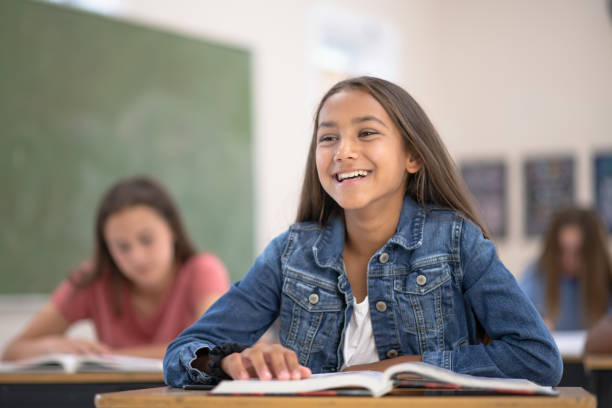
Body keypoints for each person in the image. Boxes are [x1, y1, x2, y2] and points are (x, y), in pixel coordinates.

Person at [163, 76, 562, 387]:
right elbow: (181, 354)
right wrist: (228, 361)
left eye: (366, 133)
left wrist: (408, 367)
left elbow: (537, 357)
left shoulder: (458, 242)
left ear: (413, 155)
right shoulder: (289, 254)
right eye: (328, 137)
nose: (342, 151)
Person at [1, 176, 230, 361]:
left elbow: (214, 345)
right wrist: (51, 347)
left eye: (147, 239)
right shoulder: (93, 279)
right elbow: (11, 353)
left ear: (172, 231)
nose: (137, 257)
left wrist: (108, 357)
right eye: (122, 247)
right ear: (107, 248)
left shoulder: (202, 270)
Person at [520, 207, 612, 331]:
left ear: (593, 254)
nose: (569, 260)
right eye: (561, 250)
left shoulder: (606, 278)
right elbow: (517, 314)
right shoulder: (537, 273)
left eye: (579, 252)